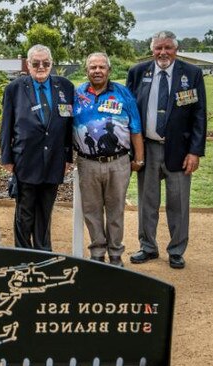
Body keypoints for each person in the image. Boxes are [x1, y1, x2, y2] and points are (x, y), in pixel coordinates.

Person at [126, 31, 206, 269]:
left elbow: (199, 115)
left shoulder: (191, 74)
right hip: (147, 149)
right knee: (147, 202)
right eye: (158, 48)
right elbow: (129, 113)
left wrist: (195, 152)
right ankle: (148, 247)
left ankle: (176, 250)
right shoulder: (138, 72)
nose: (163, 53)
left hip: (180, 151)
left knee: (178, 203)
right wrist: (132, 151)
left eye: (167, 48)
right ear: (152, 50)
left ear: (176, 50)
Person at [0, 44, 74, 251]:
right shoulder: (15, 88)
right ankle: (23, 253)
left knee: (45, 210)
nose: (41, 67)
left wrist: (68, 156)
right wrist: (6, 157)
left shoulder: (65, 87)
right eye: (36, 63)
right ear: (28, 64)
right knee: (25, 211)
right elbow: (6, 124)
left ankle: (43, 252)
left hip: (54, 160)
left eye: (46, 63)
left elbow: (68, 125)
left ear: (51, 64)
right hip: (25, 159)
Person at [73, 52, 144, 267]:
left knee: (116, 210)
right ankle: (97, 252)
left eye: (101, 67)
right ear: (86, 70)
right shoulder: (77, 95)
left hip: (118, 162)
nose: (97, 71)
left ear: (109, 70)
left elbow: (136, 128)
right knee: (91, 210)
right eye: (93, 67)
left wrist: (139, 159)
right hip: (87, 163)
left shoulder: (123, 94)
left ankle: (115, 254)